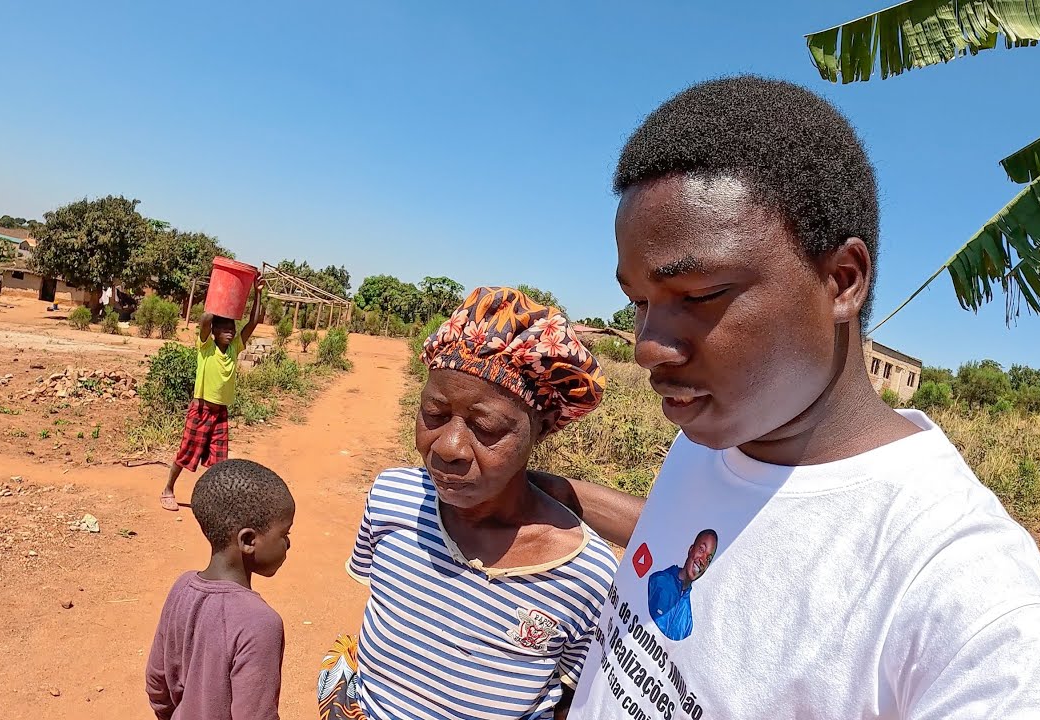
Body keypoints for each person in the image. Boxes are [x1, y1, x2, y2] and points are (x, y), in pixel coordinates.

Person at [531, 76, 1040, 719]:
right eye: (639, 301)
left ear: (841, 281)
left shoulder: (966, 596)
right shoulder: (727, 425)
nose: (648, 345)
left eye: (699, 295)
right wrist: (557, 494)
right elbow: (719, 535)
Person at [317, 286, 618, 720]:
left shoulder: (584, 574)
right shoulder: (393, 500)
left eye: (486, 427)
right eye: (434, 414)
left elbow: (571, 699)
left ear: (543, 427)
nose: (449, 447)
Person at [146, 459, 295, 720]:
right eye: (285, 534)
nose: (288, 544)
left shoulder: (181, 588)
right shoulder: (260, 623)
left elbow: (157, 682)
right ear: (248, 540)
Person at [161, 278, 263, 511]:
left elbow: (254, 322)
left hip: (220, 413)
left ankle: (214, 500)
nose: (230, 332)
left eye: (232, 329)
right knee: (186, 453)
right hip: (201, 410)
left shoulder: (235, 348)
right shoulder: (206, 348)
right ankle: (168, 489)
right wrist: (221, 293)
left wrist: (257, 293)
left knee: (219, 461)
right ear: (214, 332)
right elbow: (206, 318)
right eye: (224, 329)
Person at [646, 529, 715, 641]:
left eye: (708, 559)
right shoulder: (657, 582)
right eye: (701, 550)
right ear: (691, 549)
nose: (702, 560)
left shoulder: (689, 618)